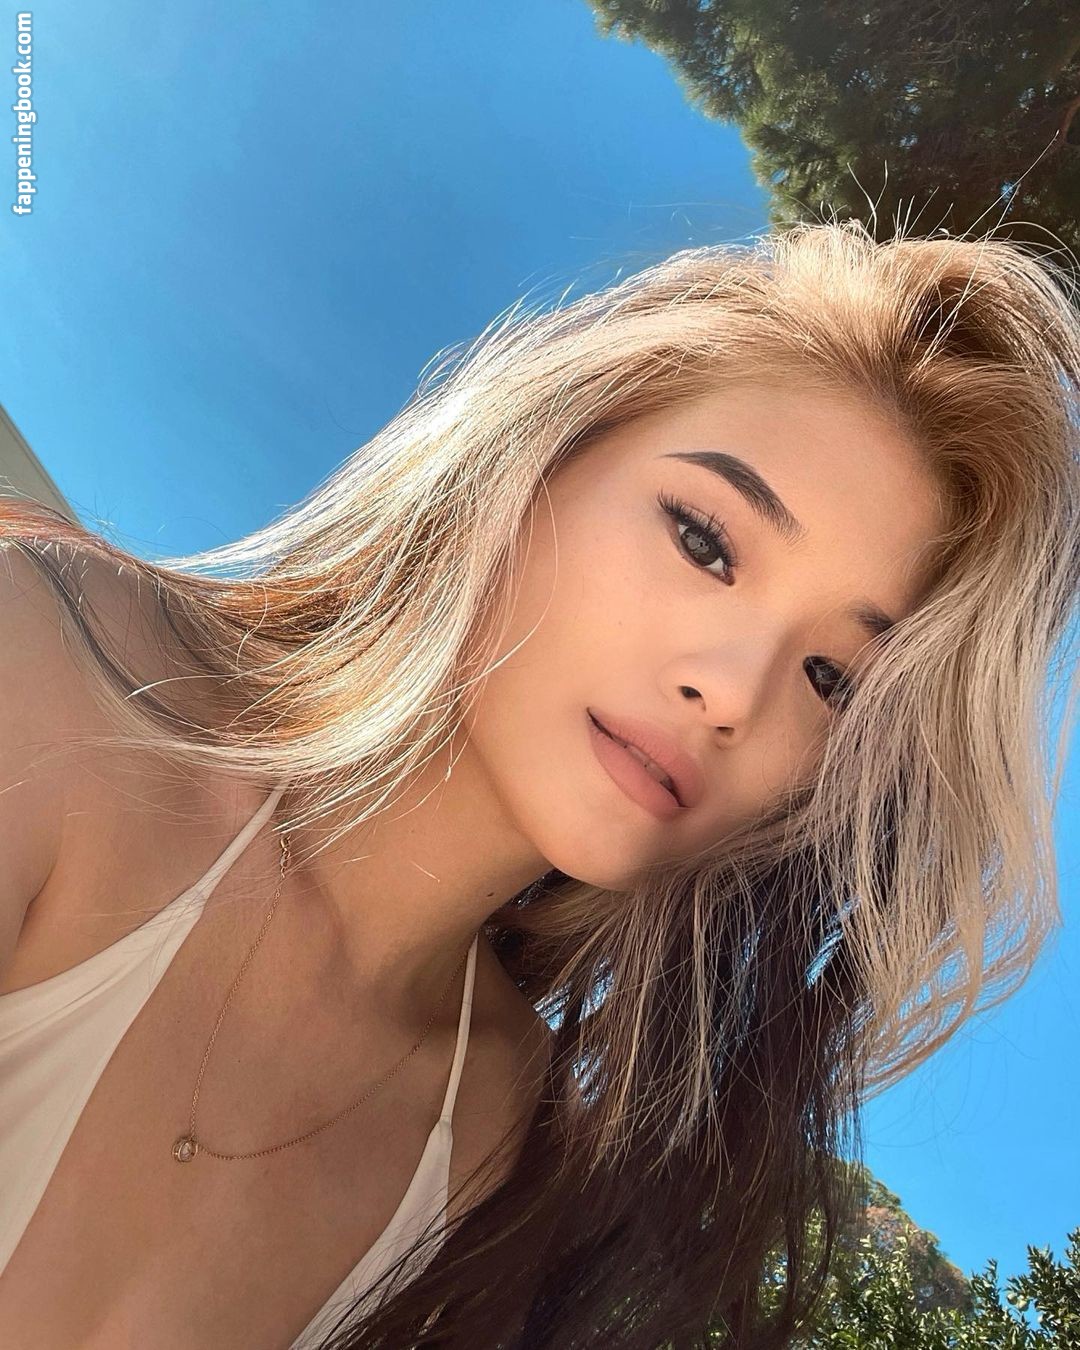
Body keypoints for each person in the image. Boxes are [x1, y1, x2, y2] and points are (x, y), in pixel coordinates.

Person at [0, 217, 1077, 1349]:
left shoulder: (499, 1144)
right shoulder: (58, 680)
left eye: (831, 678)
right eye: (703, 541)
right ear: (534, 457)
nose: (733, 694)